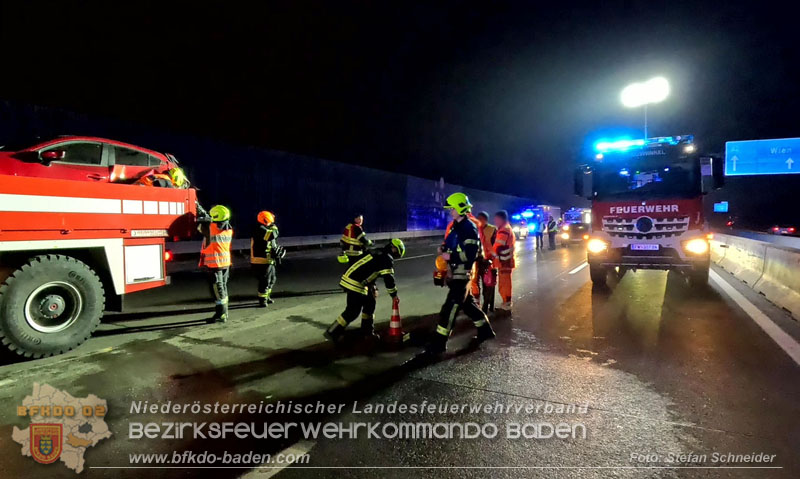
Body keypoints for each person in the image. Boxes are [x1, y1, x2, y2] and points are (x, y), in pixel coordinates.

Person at [428, 193, 495, 354]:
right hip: (455, 273)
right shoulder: (457, 227)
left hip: (462, 274)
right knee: (469, 306)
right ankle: (485, 331)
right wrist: (443, 249)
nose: (450, 211)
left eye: (452, 208)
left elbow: (471, 254)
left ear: (460, 208)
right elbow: (451, 244)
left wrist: (451, 256)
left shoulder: (469, 228)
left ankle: (439, 343)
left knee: (449, 308)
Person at [325, 239, 406, 343]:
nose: (396, 257)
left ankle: (367, 333)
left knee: (370, 303)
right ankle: (332, 332)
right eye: (397, 254)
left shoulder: (378, 252)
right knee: (352, 311)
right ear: (394, 249)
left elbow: (369, 271)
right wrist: (394, 295)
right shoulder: (386, 258)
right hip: (355, 283)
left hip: (353, 279)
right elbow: (388, 279)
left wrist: (373, 286)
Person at [198, 205, 233, 323]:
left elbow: (200, 226)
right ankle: (223, 312)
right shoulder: (228, 228)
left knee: (218, 290)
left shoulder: (211, 228)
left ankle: (222, 314)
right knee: (223, 288)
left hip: (215, 265)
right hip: (225, 263)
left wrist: (196, 206)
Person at [250, 210, 284, 307]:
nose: (272, 223)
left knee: (272, 279)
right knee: (264, 280)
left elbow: (272, 243)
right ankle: (262, 300)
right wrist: (275, 228)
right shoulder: (259, 229)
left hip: (268, 260)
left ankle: (267, 296)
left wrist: (276, 251)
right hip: (260, 261)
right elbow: (271, 235)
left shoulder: (266, 228)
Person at [493, 210, 516, 310]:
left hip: (504, 261)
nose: (495, 221)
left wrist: (489, 255)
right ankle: (506, 302)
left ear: (501, 219)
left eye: (496, 219)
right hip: (505, 261)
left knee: (504, 283)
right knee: (504, 283)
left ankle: (506, 303)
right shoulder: (505, 228)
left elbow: (498, 246)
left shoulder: (504, 230)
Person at [475, 211, 497, 313]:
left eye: (480, 219)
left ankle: (488, 306)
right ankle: (478, 305)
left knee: (488, 284)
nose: (478, 221)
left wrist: (492, 260)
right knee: (475, 283)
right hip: (477, 260)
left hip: (488, 261)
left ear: (485, 220)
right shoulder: (475, 229)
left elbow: (497, 247)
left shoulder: (492, 230)